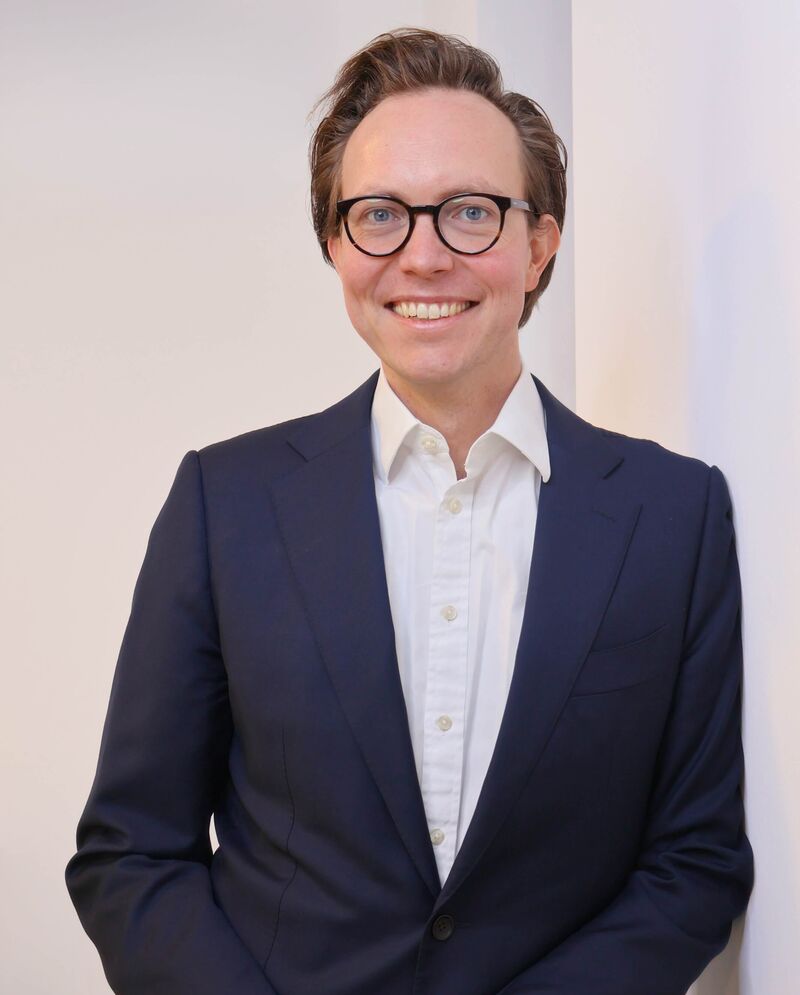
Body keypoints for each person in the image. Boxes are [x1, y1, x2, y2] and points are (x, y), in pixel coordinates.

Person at [66, 27, 753, 995]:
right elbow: (131, 853)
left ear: (538, 243)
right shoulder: (225, 504)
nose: (422, 257)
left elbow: (694, 862)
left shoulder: (673, 514)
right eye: (380, 215)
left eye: (470, 211)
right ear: (335, 245)